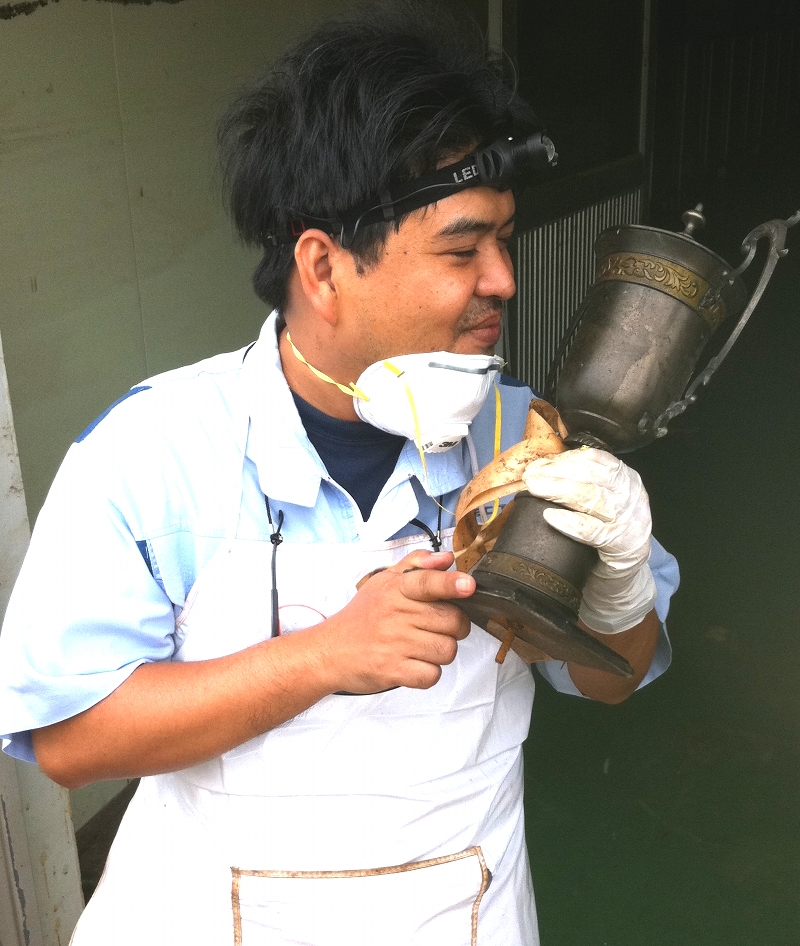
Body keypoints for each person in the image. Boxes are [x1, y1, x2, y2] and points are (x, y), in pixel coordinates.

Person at [0, 3, 678, 944]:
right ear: (321, 266)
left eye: (504, 241)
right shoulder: (153, 451)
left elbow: (615, 678)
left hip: (464, 915)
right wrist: (321, 656)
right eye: (460, 248)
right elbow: (71, 740)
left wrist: (622, 589)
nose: (503, 281)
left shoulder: (527, 438)